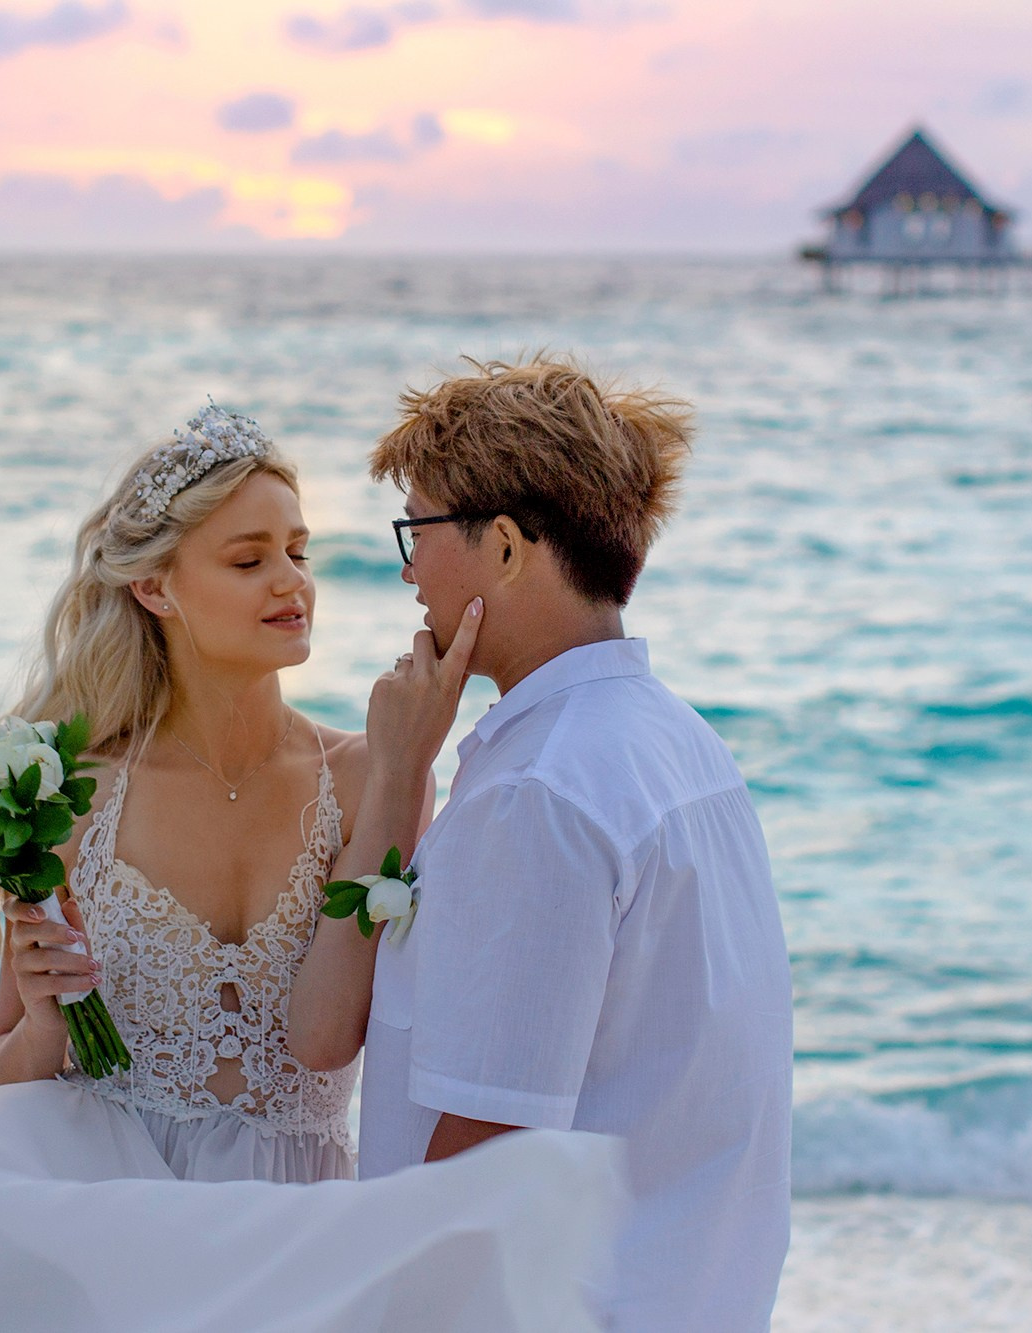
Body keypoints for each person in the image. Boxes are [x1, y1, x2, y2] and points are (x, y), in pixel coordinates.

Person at [0, 405, 623, 1333]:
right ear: (158, 586)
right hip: (112, 1239)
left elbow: (324, 1036)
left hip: (291, 1239)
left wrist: (403, 772)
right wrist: (42, 1016)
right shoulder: (71, 792)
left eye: (299, 552)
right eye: (249, 560)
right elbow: (5, 1074)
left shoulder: (366, 774)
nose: (291, 583)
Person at [291, 357, 796, 1332]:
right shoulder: (675, 742)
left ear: (510, 549)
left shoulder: (536, 789)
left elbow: (488, 1154)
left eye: (419, 532)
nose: (407, 569)